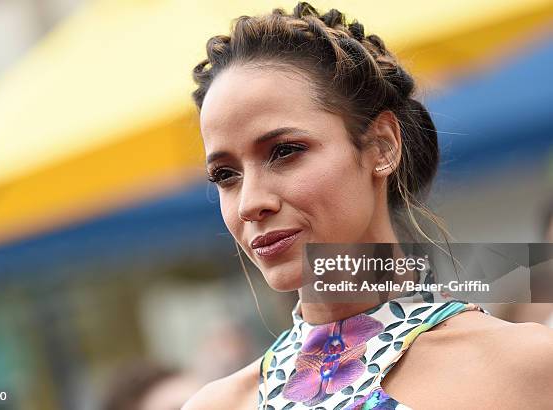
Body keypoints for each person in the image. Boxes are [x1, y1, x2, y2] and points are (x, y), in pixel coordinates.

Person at [183, 3, 553, 409]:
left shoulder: (525, 368)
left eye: (285, 151)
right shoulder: (215, 404)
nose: (251, 203)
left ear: (382, 145)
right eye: (224, 175)